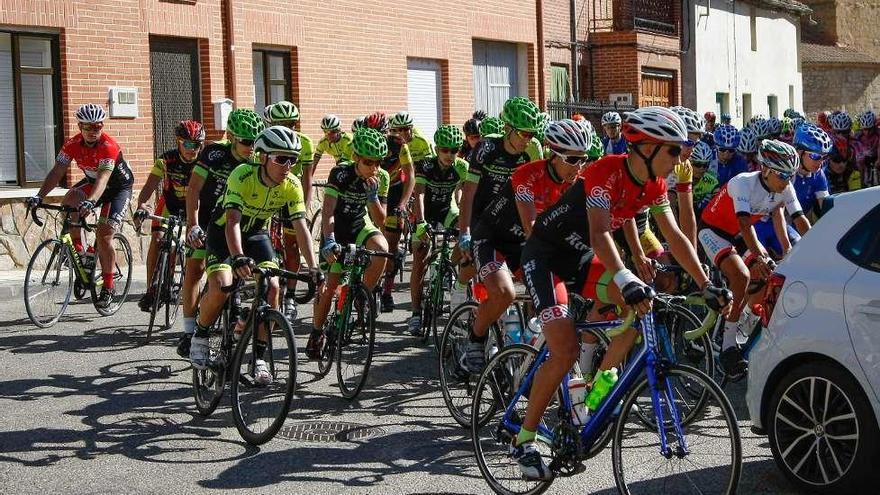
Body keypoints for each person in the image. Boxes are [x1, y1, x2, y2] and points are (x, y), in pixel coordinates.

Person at [510, 106, 730, 480]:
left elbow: (674, 235)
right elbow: (599, 234)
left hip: (581, 260)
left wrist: (706, 284)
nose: (679, 160)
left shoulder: (655, 184)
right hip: (546, 257)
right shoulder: (602, 172)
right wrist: (625, 277)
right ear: (645, 147)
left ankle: (597, 393)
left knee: (643, 308)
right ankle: (525, 441)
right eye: (673, 151)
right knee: (563, 352)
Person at [461, 119, 592, 373]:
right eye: (573, 159)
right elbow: (531, 226)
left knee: (554, 297)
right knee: (504, 293)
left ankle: (528, 349)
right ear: (555, 154)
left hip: (525, 245)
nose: (579, 166)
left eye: (583, 159)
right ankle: (475, 340)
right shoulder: (527, 175)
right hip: (492, 238)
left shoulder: (575, 183)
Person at [189, 126, 321, 376]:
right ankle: (201, 334)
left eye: (292, 160)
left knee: (272, 288)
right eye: (281, 159)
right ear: (262, 157)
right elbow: (232, 222)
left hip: (256, 235)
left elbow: (301, 227)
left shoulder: (291, 185)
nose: (288, 166)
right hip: (223, 234)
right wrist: (237, 256)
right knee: (222, 285)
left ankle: (258, 358)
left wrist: (313, 266)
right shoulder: (242, 174)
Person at [700, 140, 810, 377]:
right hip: (714, 231)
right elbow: (743, 223)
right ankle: (729, 344)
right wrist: (760, 256)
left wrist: (810, 248)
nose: (788, 182)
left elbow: (798, 220)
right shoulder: (743, 183)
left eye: (791, 176)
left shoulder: (783, 187)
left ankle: (742, 323)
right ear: (767, 170)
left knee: (771, 278)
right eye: (784, 176)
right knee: (742, 276)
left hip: (739, 235)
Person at [28, 104, 134, 309]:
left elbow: (103, 179)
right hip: (93, 183)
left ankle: (108, 288)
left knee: (104, 235)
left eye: (98, 127)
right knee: (69, 202)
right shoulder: (72, 144)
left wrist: (91, 202)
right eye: (88, 128)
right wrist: (39, 196)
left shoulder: (108, 146)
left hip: (117, 187)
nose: (94, 131)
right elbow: (57, 171)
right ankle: (81, 253)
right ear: (79, 127)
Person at [180, 108, 264, 356]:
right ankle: (188, 331)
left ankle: (233, 308)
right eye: (246, 142)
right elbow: (194, 189)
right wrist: (192, 224)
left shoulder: (257, 160)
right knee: (195, 268)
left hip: (236, 219)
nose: (251, 148)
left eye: (255, 142)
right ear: (231, 136)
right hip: (206, 215)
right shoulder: (214, 153)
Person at [306, 128, 391, 358]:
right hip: (337, 229)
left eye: (378, 162)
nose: (374, 168)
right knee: (329, 286)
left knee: (382, 249)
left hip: (359, 224)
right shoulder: (340, 173)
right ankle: (316, 332)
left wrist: (373, 197)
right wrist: (329, 241)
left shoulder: (381, 177)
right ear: (356, 157)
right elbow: (328, 212)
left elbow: (381, 219)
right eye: (368, 162)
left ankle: (361, 294)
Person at [457, 97, 543, 298]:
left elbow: (536, 192)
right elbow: (468, 193)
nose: (527, 139)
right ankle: (460, 287)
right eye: (523, 133)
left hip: (510, 214)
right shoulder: (485, 147)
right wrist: (464, 232)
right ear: (508, 128)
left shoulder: (532, 150)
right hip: (481, 212)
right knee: (472, 259)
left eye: (532, 134)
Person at [135, 120, 205, 312]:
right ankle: (152, 288)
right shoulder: (165, 161)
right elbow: (149, 187)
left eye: (197, 144)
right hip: (170, 203)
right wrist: (142, 205)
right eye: (188, 144)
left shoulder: (205, 162)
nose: (193, 149)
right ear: (178, 141)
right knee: (157, 239)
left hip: (197, 206)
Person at [407, 125, 469, 334]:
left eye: (454, 150)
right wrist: (422, 222)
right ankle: (416, 312)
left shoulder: (462, 166)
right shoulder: (425, 165)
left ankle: (446, 267)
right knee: (419, 258)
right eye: (445, 150)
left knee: (465, 234)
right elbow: (420, 195)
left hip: (446, 210)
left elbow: (469, 195)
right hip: (426, 213)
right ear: (436, 149)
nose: (449, 155)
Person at [263, 101, 316, 321]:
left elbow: (307, 179)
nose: (288, 127)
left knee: (293, 247)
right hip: (266, 195)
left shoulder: (304, 143)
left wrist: (302, 207)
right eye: (282, 123)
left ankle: (291, 296)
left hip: (290, 196)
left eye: (292, 123)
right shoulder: (265, 140)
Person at [376, 111, 416, 313]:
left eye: (382, 134)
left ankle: (387, 293)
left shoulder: (400, 146)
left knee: (390, 248)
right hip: (373, 193)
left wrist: (403, 203)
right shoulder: (362, 144)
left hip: (394, 192)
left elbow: (410, 176)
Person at [854, 111, 879, 187]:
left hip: (876, 155)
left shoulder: (878, 133)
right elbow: (855, 148)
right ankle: (861, 187)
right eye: (865, 129)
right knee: (859, 166)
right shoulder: (858, 135)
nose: (867, 132)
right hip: (864, 156)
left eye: (869, 129)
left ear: (874, 126)